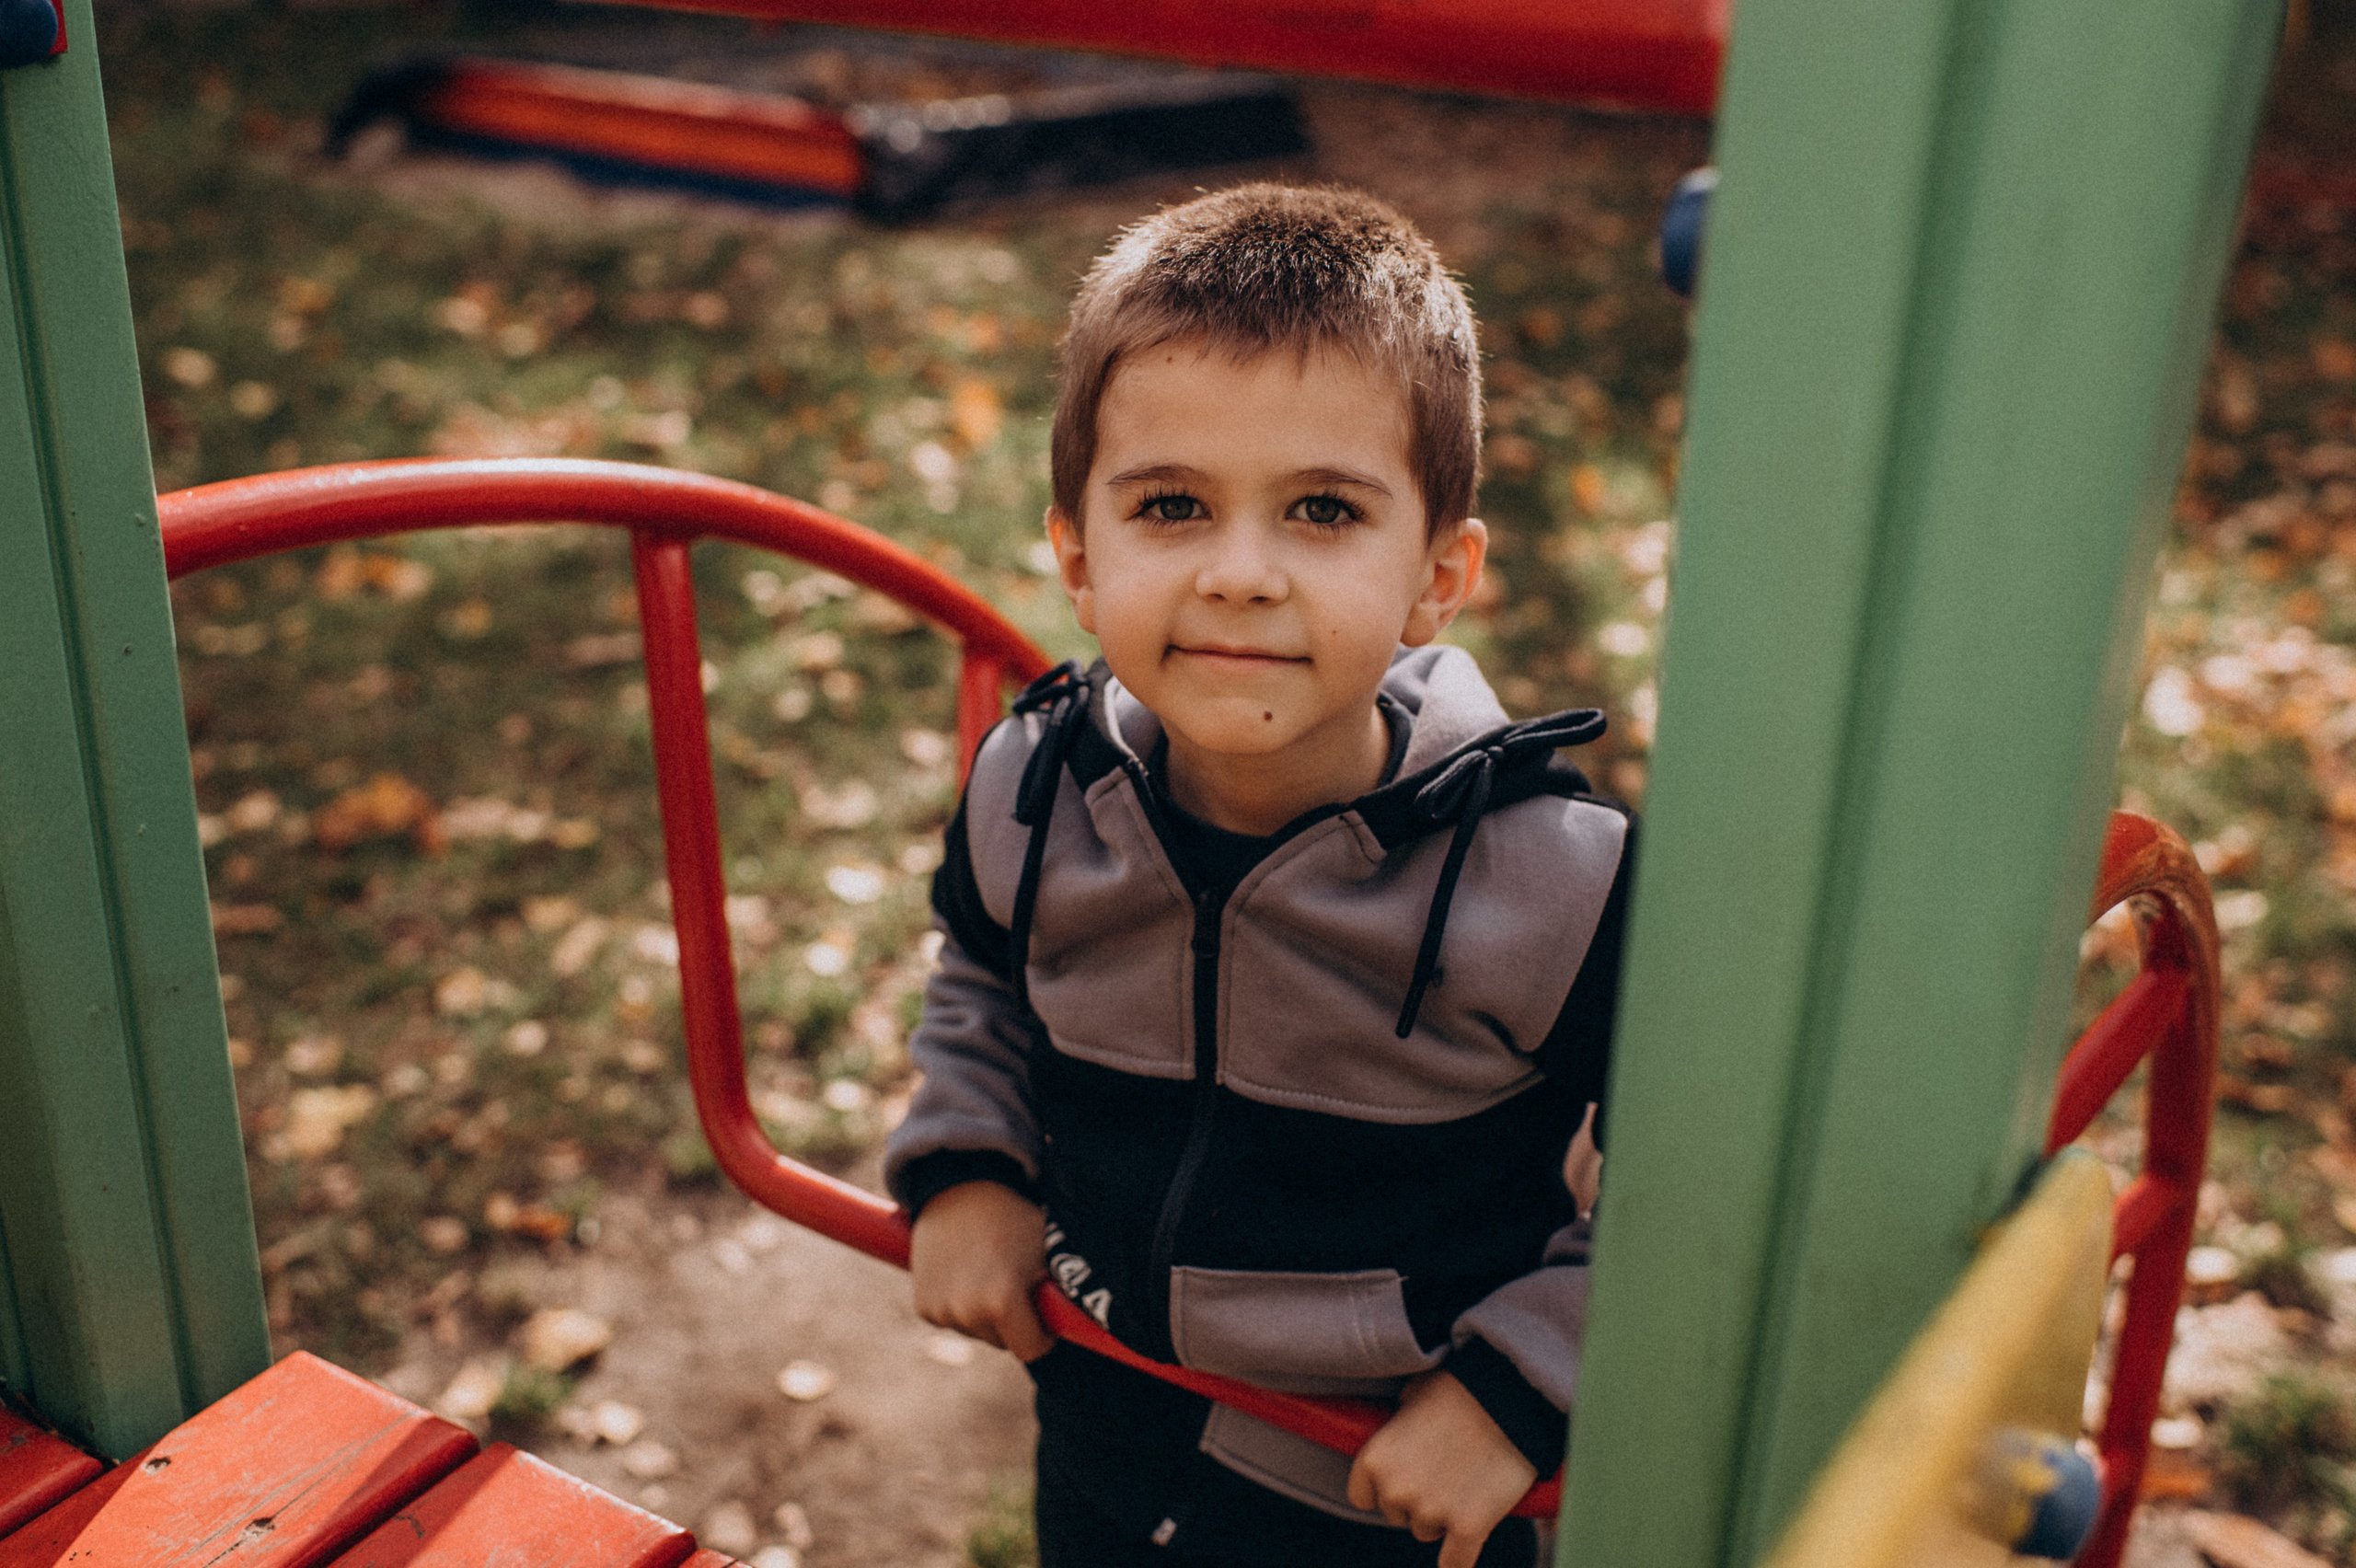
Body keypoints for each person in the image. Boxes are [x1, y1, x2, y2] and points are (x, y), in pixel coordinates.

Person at [883, 183, 1634, 1568]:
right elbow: (982, 973)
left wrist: (1523, 1384)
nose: (1240, 573)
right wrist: (967, 1162)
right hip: (1107, 1409)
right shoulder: (1037, 791)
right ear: (1076, 554)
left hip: (1389, 1489)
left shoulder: (1554, 889)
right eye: (1172, 505)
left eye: (1322, 512)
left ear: (1437, 579)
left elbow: (1700, 1177)